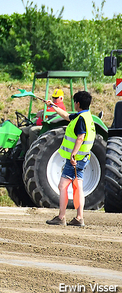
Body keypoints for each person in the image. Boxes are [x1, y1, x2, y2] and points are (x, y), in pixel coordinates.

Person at [46, 90, 95, 227]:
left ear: (77, 103)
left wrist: (73, 154)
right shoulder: (86, 116)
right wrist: (52, 106)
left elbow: (80, 137)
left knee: (62, 186)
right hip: (83, 158)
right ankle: (79, 218)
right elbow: (67, 116)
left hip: (75, 158)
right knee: (78, 186)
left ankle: (61, 217)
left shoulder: (80, 119)